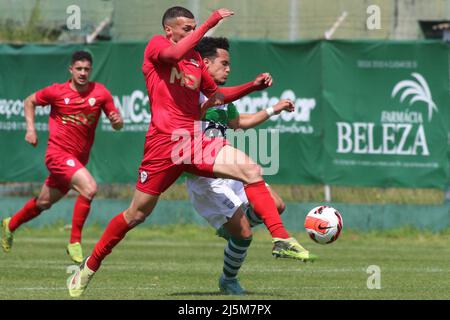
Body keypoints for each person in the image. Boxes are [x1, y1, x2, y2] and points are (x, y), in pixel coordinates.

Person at [67, 6, 316, 298]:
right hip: (163, 145)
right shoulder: (157, 46)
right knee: (136, 214)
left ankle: (280, 238)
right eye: (187, 28)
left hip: (193, 142)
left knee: (252, 170)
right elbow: (173, 56)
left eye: (195, 27)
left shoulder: (196, 61)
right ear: (169, 30)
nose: (193, 33)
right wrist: (210, 22)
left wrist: (252, 86)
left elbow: (217, 96)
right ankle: (90, 265)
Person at [186, 36, 302, 295]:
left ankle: (233, 228)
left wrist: (273, 109)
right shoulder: (189, 93)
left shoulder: (223, 97)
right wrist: (207, 104)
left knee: (277, 205)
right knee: (245, 235)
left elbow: (239, 123)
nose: (229, 69)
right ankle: (228, 279)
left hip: (227, 168)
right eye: (224, 64)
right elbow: (185, 123)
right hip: (206, 180)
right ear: (205, 63)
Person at [1, 51, 123, 263]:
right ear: (71, 70)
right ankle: (74, 241)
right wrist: (30, 129)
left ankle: (10, 224)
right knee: (90, 188)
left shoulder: (101, 93)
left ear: (90, 70)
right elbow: (29, 101)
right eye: (79, 69)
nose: (83, 73)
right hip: (57, 155)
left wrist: (116, 121)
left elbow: (118, 124)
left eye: (86, 69)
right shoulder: (57, 92)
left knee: (44, 202)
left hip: (76, 161)